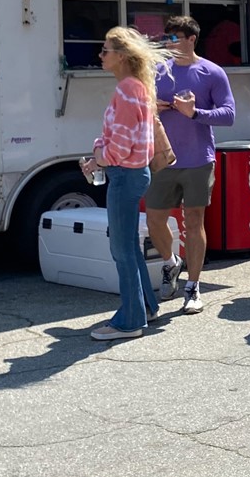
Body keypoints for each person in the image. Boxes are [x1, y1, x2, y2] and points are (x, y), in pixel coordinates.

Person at [147, 15, 236, 315]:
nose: (169, 43)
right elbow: (140, 106)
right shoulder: (158, 70)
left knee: (193, 222)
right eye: (167, 38)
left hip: (199, 159)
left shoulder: (211, 72)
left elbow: (228, 115)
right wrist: (154, 106)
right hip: (163, 158)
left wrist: (194, 112)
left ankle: (193, 287)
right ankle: (172, 264)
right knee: (154, 219)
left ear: (191, 39)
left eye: (175, 38)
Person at [85, 28, 167, 340]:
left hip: (125, 175)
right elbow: (124, 138)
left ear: (121, 56)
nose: (100, 55)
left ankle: (130, 320)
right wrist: (101, 153)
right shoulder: (137, 88)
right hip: (136, 173)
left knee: (121, 249)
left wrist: (98, 155)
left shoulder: (125, 90)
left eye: (105, 50)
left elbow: (117, 147)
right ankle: (146, 306)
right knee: (130, 247)